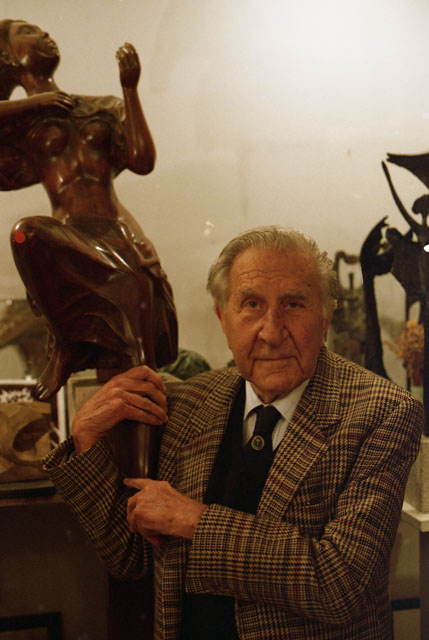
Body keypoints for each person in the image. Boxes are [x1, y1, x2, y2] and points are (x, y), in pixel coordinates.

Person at [44, 226, 424, 640]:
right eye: (252, 304)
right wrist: (86, 440)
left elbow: (339, 584)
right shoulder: (187, 404)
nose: (272, 332)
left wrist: (195, 520)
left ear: (326, 317)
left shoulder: (381, 412)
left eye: (293, 304)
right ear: (223, 319)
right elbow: (133, 560)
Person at [0, 19, 177, 399]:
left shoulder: (101, 106)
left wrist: (129, 89)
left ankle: (143, 436)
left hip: (117, 234)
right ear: (9, 58)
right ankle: (66, 343)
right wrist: (36, 104)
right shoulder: (23, 127)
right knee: (25, 235)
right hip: (68, 241)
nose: (44, 34)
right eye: (28, 32)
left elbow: (142, 160)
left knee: (139, 358)